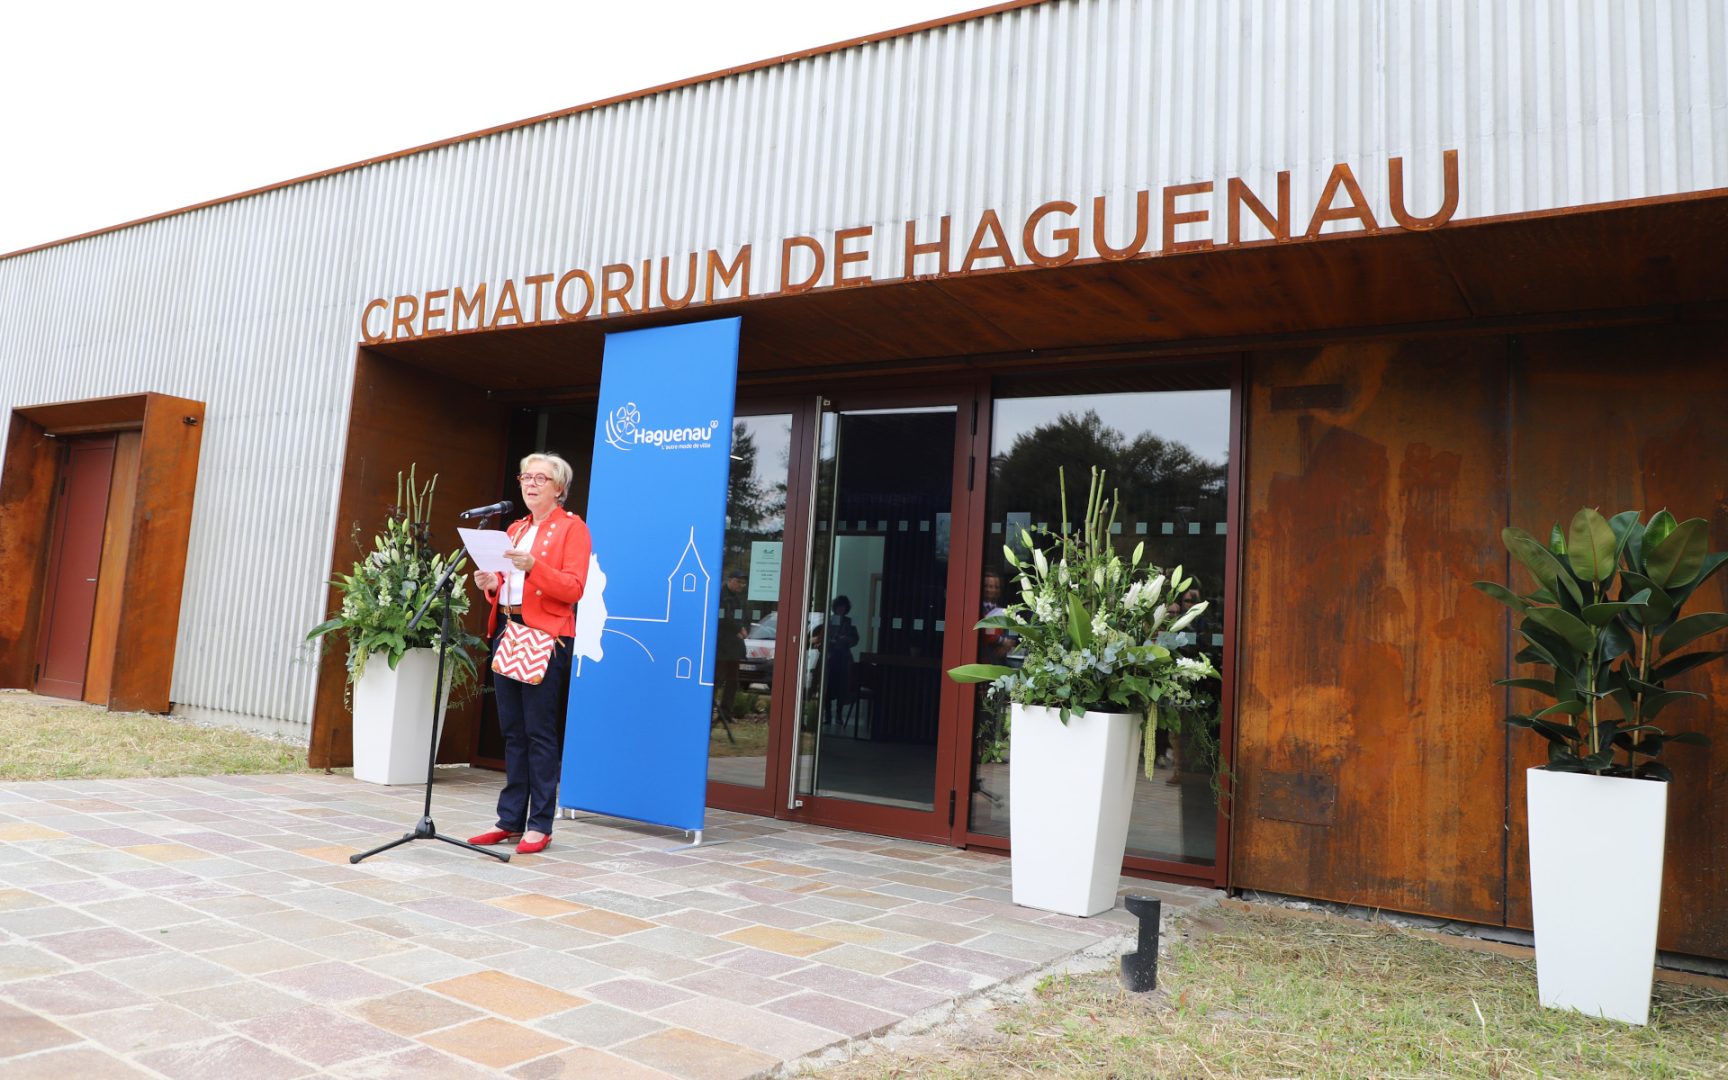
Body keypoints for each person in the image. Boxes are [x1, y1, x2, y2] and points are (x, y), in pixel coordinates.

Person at [468, 452, 590, 856]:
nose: (531, 483)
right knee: (512, 730)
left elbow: (573, 589)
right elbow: (505, 584)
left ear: (559, 488)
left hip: (544, 636)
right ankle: (509, 820)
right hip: (509, 629)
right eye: (526, 477)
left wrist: (535, 565)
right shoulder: (515, 529)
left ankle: (540, 824)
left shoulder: (573, 529)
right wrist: (490, 583)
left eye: (541, 478)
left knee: (539, 731)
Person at [712, 568, 748, 741]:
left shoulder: (736, 597)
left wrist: (743, 628)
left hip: (733, 646)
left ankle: (726, 712)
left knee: (733, 681)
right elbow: (723, 617)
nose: (742, 585)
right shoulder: (720, 595)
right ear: (730, 580)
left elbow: (741, 615)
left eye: (744, 583)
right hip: (721, 645)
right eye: (739, 582)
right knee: (717, 680)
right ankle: (709, 712)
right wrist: (738, 629)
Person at [823, 595, 860, 728]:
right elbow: (823, 636)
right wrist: (830, 641)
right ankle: (827, 716)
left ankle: (838, 716)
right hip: (831, 657)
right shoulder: (830, 620)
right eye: (838, 607)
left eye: (843, 607)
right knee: (827, 687)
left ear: (846, 608)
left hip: (844, 658)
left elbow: (855, 639)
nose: (840, 609)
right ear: (835, 607)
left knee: (841, 687)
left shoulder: (850, 622)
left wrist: (846, 639)